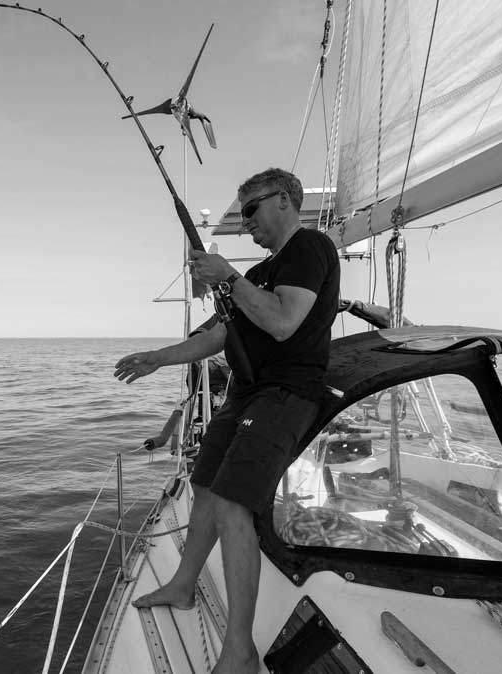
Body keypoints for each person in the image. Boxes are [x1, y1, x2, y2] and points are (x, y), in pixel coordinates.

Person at [114, 167, 340, 674]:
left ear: (284, 201)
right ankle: (182, 584)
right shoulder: (258, 273)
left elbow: (283, 322)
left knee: (235, 505)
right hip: (245, 394)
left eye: (251, 209)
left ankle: (240, 650)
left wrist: (228, 277)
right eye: (242, 212)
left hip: (285, 394)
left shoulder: (310, 247)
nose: (245, 221)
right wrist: (157, 358)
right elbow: (218, 336)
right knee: (205, 486)